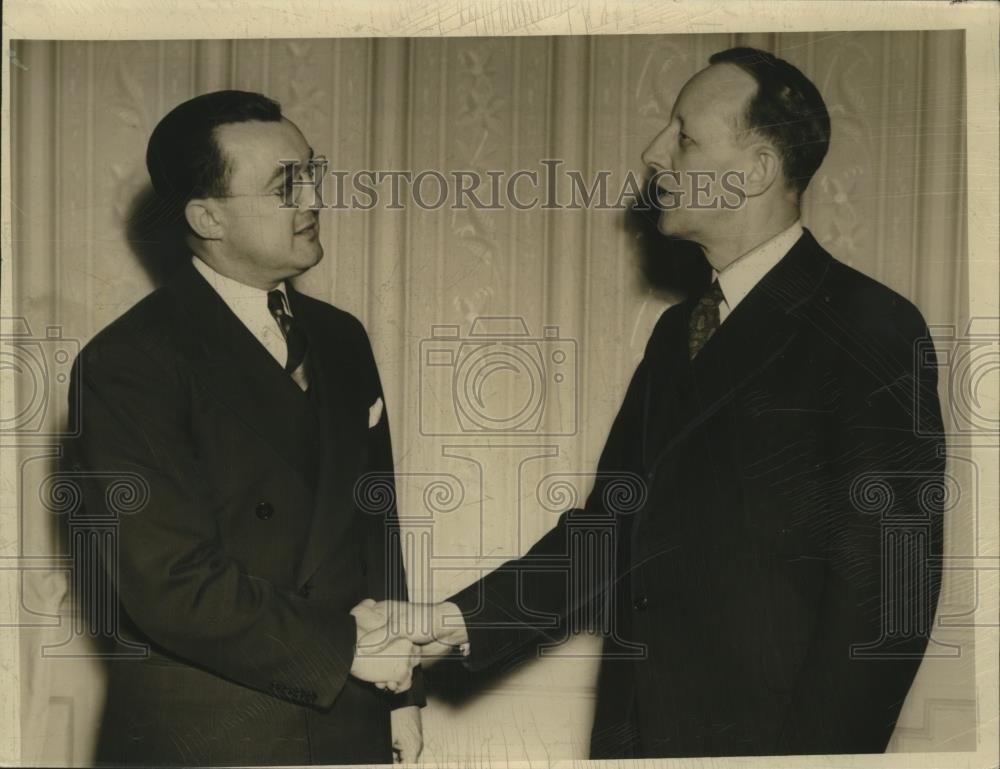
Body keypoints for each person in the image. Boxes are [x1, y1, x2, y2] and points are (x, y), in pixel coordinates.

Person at [358, 47, 947, 758]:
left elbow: (890, 593)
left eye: (685, 137)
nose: (652, 153)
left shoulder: (868, 325)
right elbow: (607, 530)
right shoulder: (681, 331)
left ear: (755, 170)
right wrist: (455, 620)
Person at [68, 90, 423, 766]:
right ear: (208, 216)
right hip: (211, 733)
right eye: (286, 185)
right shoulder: (127, 362)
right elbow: (167, 580)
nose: (314, 197)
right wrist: (350, 650)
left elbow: (377, 528)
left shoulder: (343, 339)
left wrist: (404, 697)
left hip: (355, 716)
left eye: (313, 172)